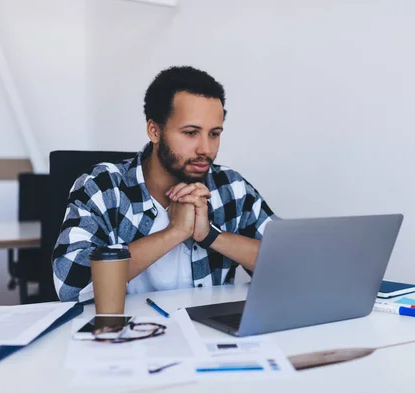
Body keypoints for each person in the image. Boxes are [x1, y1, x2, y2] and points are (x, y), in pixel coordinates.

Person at [53, 66, 277, 302]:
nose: (206, 149)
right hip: (127, 335)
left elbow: (287, 265)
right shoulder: (103, 186)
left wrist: (210, 235)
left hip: (207, 334)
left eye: (214, 133)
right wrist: (175, 232)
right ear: (154, 131)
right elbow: (70, 285)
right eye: (191, 133)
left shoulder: (231, 187)